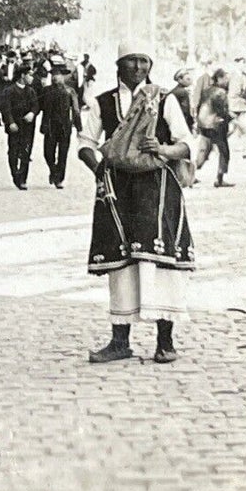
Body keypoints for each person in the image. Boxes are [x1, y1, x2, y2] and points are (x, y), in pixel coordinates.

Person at [78, 43, 195, 365]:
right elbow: (86, 144)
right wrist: (100, 168)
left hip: (158, 189)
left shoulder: (164, 99)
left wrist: (163, 150)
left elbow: (186, 143)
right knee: (122, 261)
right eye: (131, 61)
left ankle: (165, 342)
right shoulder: (102, 101)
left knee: (162, 261)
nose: (138, 67)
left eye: (144, 61)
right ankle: (120, 341)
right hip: (118, 189)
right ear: (119, 64)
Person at [37, 62, 78, 188]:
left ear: (64, 77)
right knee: (47, 153)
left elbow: (76, 110)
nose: (56, 77)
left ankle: (59, 179)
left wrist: (79, 127)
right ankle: (54, 171)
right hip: (49, 125)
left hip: (65, 126)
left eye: (59, 75)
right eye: (54, 75)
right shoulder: (46, 91)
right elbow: (38, 106)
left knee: (63, 154)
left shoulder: (70, 91)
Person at [0, 61, 38, 190]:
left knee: (26, 152)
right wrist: (10, 122)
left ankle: (22, 179)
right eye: (29, 75)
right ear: (22, 75)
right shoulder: (9, 91)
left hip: (27, 127)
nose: (31, 78)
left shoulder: (31, 91)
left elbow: (35, 105)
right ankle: (15, 175)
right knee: (13, 152)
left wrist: (32, 113)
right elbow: (6, 109)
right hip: (14, 127)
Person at [193, 67, 234, 186]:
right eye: (225, 78)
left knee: (204, 152)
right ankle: (220, 179)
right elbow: (223, 111)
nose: (227, 81)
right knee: (224, 151)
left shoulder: (207, 90)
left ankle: (190, 175)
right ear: (219, 78)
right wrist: (231, 120)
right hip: (216, 125)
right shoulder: (220, 92)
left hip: (204, 124)